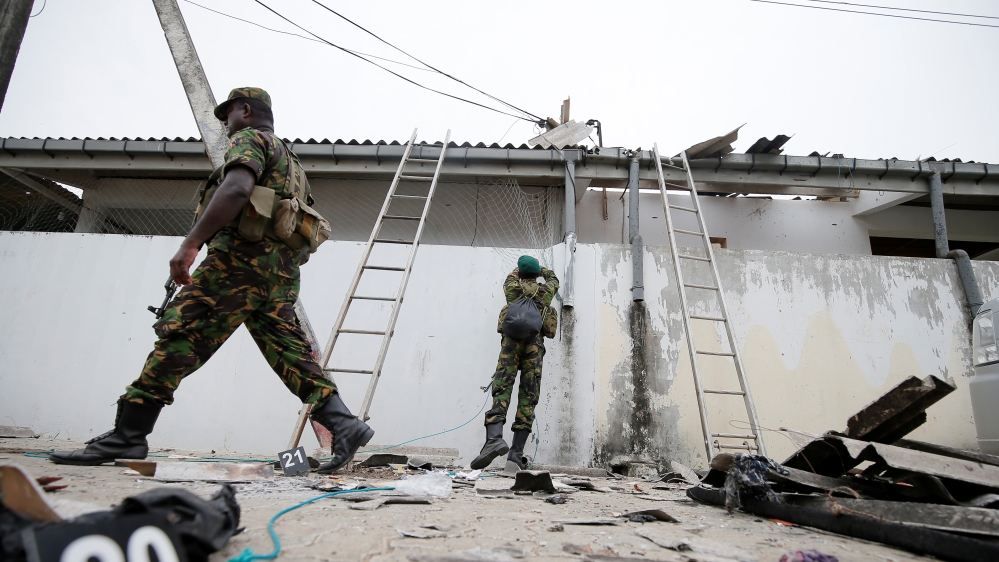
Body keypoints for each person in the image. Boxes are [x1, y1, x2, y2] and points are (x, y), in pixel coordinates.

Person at [49, 88, 372, 474]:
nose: (225, 122)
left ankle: (129, 433)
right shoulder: (292, 161)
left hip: (237, 266)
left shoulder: (250, 140)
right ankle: (344, 424)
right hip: (278, 273)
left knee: (181, 334)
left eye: (228, 113)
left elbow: (236, 189)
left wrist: (190, 245)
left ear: (245, 110)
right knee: (290, 352)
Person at [471, 255, 559, 470]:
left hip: (510, 345)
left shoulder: (512, 287)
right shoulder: (546, 291)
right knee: (528, 396)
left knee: (502, 388)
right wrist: (541, 272)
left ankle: (494, 439)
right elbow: (553, 278)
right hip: (534, 347)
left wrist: (524, 271)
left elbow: (512, 274)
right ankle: (516, 454)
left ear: (519, 274)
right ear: (537, 274)